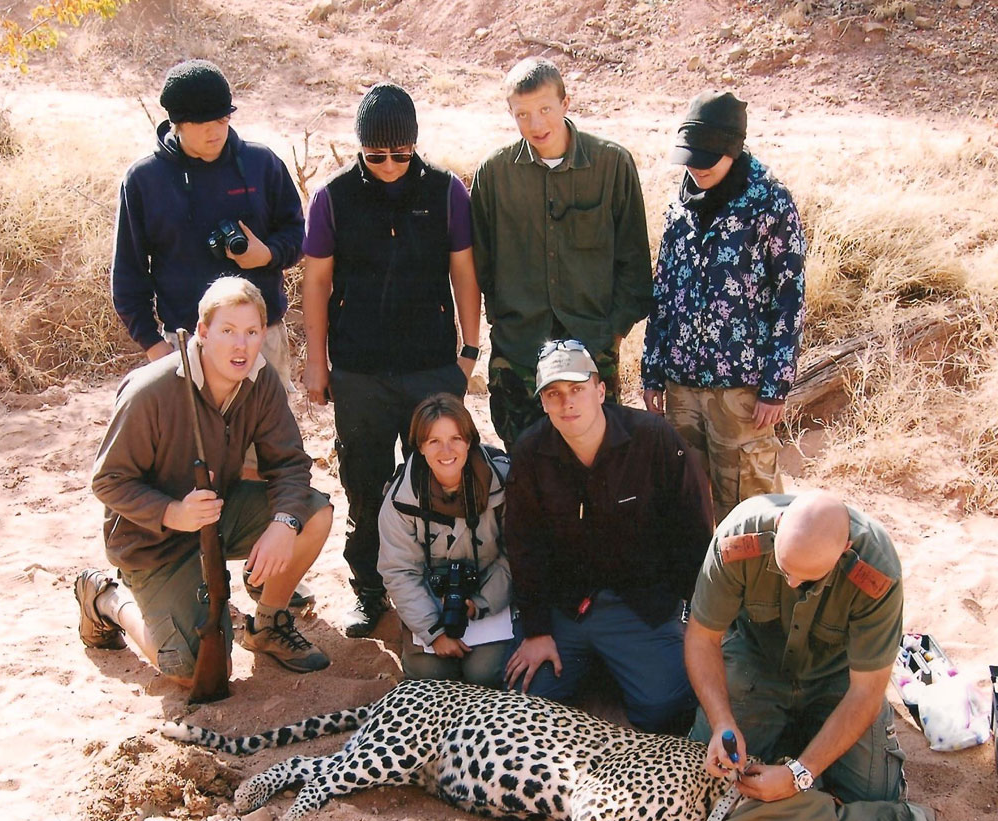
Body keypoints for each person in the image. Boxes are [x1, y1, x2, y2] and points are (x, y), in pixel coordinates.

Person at [76, 277, 332, 684]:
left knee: (313, 515)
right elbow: (107, 481)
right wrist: (172, 512)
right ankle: (109, 598)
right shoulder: (151, 390)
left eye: (251, 333)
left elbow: (289, 464)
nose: (241, 346)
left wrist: (284, 524)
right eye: (227, 331)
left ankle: (267, 624)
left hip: (218, 517)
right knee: (197, 674)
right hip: (151, 542)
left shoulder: (261, 379)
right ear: (201, 332)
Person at [302, 83, 481, 639]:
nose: (387, 165)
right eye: (375, 155)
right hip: (359, 370)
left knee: (437, 476)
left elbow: (464, 272)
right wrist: (316, 363)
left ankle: (431, 583)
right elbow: (316, 283)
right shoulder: (332, 198)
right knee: (367, 484)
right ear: (359, 148)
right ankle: (369, 591)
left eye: (399, 155)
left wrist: (469, 351)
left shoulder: (447, 191)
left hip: (431, 365)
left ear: (415, 146)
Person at [503, 339, 714, 732]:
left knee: (668, 707)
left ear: (600, 391)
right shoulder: (530, 453)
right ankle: (598, 665)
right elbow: (523, 545)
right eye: (554, 393)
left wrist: (696, 622)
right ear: (543, 403)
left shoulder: (655, 439)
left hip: (640, 605)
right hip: (567, 608)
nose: (567, 403)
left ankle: (620, 665)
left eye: (577, 389)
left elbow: (695, 533)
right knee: (526, 704)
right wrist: (536, 631)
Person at [470, 57, 652, 449]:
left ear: (566, 103)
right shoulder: (494, 174)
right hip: (518, 355)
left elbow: (635, 264)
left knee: (596, 467)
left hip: (592, 351)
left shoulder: (611, 165)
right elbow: (480, 264)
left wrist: (612, 336)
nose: (536, 125)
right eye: (523, 114)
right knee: (526, 468)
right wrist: (504, 324)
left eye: (545, 109)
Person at [642, 90, 806, 524]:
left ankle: (756, 587)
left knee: (749, 505)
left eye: (707, 158)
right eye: (690, 158)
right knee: (684, 501)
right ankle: (694, 588)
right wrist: (653, 371)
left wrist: (776, 384)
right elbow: (664, 291)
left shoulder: (770, 202)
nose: (696, 168)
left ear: (734, 149)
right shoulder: (679, 205)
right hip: (681, 384)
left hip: (742, 389)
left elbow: (789, 296)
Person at [686, 491, 906, 805]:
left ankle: (797, 739)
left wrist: (799, 774)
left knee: (875, 797)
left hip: (836, 679)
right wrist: (722, 721)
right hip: (757, 664)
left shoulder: (877, 571)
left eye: (808, 578)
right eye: (784, 568)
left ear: (844, 550)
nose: (791, 583)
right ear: (779, 523)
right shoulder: (738, 538)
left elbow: (866, 690)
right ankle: (790, 733)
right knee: (708, 777)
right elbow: (702, 638)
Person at [112, 59, 304, 387]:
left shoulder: (262, 164)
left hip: (262, 338)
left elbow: (298, 234)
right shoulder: (145, 180)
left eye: (221, 118)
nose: (214, 131)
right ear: (177, 123)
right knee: (192, 441)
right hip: (186, 343)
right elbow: (128, 274)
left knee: (272, 438)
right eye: (201, 122)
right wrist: (154, 346)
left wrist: (267, 254)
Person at [378, 393, 513, 686]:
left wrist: (479, 603)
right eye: (434, 441)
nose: (447, 450)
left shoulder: (502, 483)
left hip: (488, 594)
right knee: (431, 675)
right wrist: (433, 631)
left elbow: (514, 555)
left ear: (469, 440)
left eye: (455, 438)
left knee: (485, 672)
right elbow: (399, 571)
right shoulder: (400, 499)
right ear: (420, 446)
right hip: (431, 599)